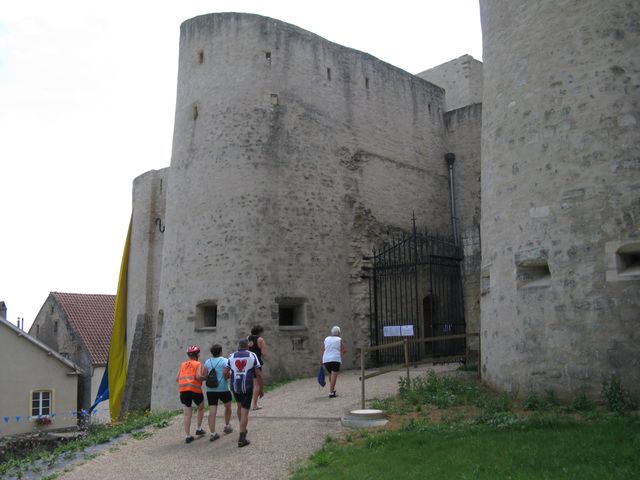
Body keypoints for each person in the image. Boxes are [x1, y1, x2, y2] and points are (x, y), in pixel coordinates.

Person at [228, 338, 262, 447]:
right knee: (245, 411)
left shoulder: (231, 356)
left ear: (239, 346)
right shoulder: (252, 355)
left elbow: (225, 371)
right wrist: (261, 387)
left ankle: (242, 427)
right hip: (247, 386)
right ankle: (242, 437)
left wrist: (230, 377)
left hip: (235, 386)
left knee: (239, 406)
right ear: (247, 346)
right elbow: (258, 372)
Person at [203, 344, 234, 441]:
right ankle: (227, 425)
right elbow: (226, 375)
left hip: (211, 390)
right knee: (228, 406)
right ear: (221, 351)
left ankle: (213, 433)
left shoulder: (207, 362)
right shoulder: (225, 361)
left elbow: (205, 376)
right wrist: (228, 376)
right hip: (223, 388)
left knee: (212, 412)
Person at [176, 345, 206, 443]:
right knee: (201, 407)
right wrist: (205, 378)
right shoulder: (198, 364)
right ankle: (198, 428)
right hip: (194, 389)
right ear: (197, 354)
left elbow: (177, 378)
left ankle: (188, 436)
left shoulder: (182, 364)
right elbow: (198, 376)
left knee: (187, 414)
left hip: (183, 390)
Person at [321, 326, 347, 398]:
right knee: (334, 375)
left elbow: (322, 349)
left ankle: (333, 389)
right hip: (335, 359)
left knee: (330, 374)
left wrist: (321, 359)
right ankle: (331, 392)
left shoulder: (326, 339)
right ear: (339, 333)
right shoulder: (339, 339)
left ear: (332, 332)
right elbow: (343, 350)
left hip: (326, 360)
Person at [247, 325, 267, 410]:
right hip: (256, 362)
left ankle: (246, 404)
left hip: (247, 361)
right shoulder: (260, 339)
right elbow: (264, 353)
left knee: (248, 383)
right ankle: (254, 405)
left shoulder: (248, 338)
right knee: (257, 384)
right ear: (260, 332)